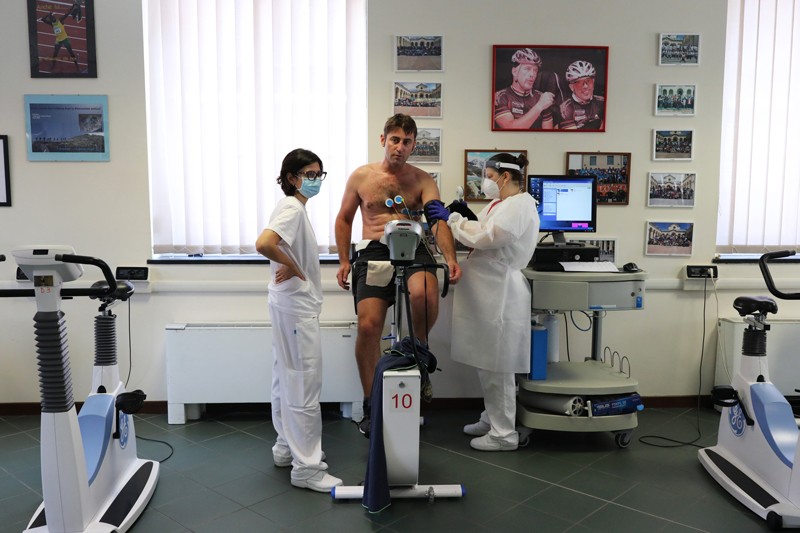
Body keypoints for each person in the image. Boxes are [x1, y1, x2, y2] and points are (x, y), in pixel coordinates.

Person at [335, 113, 462, 437]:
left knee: (424, 294)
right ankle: (370, 403)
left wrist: (449, 258)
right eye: (395, 139)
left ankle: (417, 351)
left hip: (413, 243)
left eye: (407, 141)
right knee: (368, 325)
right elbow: (344, 219)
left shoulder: (422, 179)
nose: (400, 147)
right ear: (383, 140)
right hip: (375, 249)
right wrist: (344, 260)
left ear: (414, 145)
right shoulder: (362, 177)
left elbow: (437, 219)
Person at [426, 153, 539, 451]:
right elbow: (484, 228)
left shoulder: (521, 204)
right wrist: (466, 217)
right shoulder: (499, 204)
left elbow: (491, 236)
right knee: (487, 361)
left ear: (504, 176)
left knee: (499, 365)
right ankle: (491, 418)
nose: (484, 181)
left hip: (501, 292)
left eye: (488, 175)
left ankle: (503, 434)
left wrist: (454, 219)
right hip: (486, 291)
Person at [255, 148, 343, 492]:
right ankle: (307, 468)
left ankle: (285, 448)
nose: (316, 180)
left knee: (284, 377)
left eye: (319, 174)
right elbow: (264, 243)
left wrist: (290, 263)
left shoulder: (293, 209)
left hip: (286, 304)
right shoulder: (292, 207)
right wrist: (292, 265)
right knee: (303, 383)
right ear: (292, 178)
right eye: (309, 174)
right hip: (296, 309)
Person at [493, 48, 556, 130]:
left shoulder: (541, 97)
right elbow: (510, 128)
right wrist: (539, 106)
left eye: (535, 70)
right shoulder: (500, 96)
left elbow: (547, 134)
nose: (532, 74)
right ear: (515, 72)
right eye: (527, 69)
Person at [555, 60, 605, 130]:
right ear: (571, 87)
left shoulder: (602, 102)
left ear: (593, 82)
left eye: (588, 81)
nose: (585, 86)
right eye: (579, 83)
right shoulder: (566, 108)